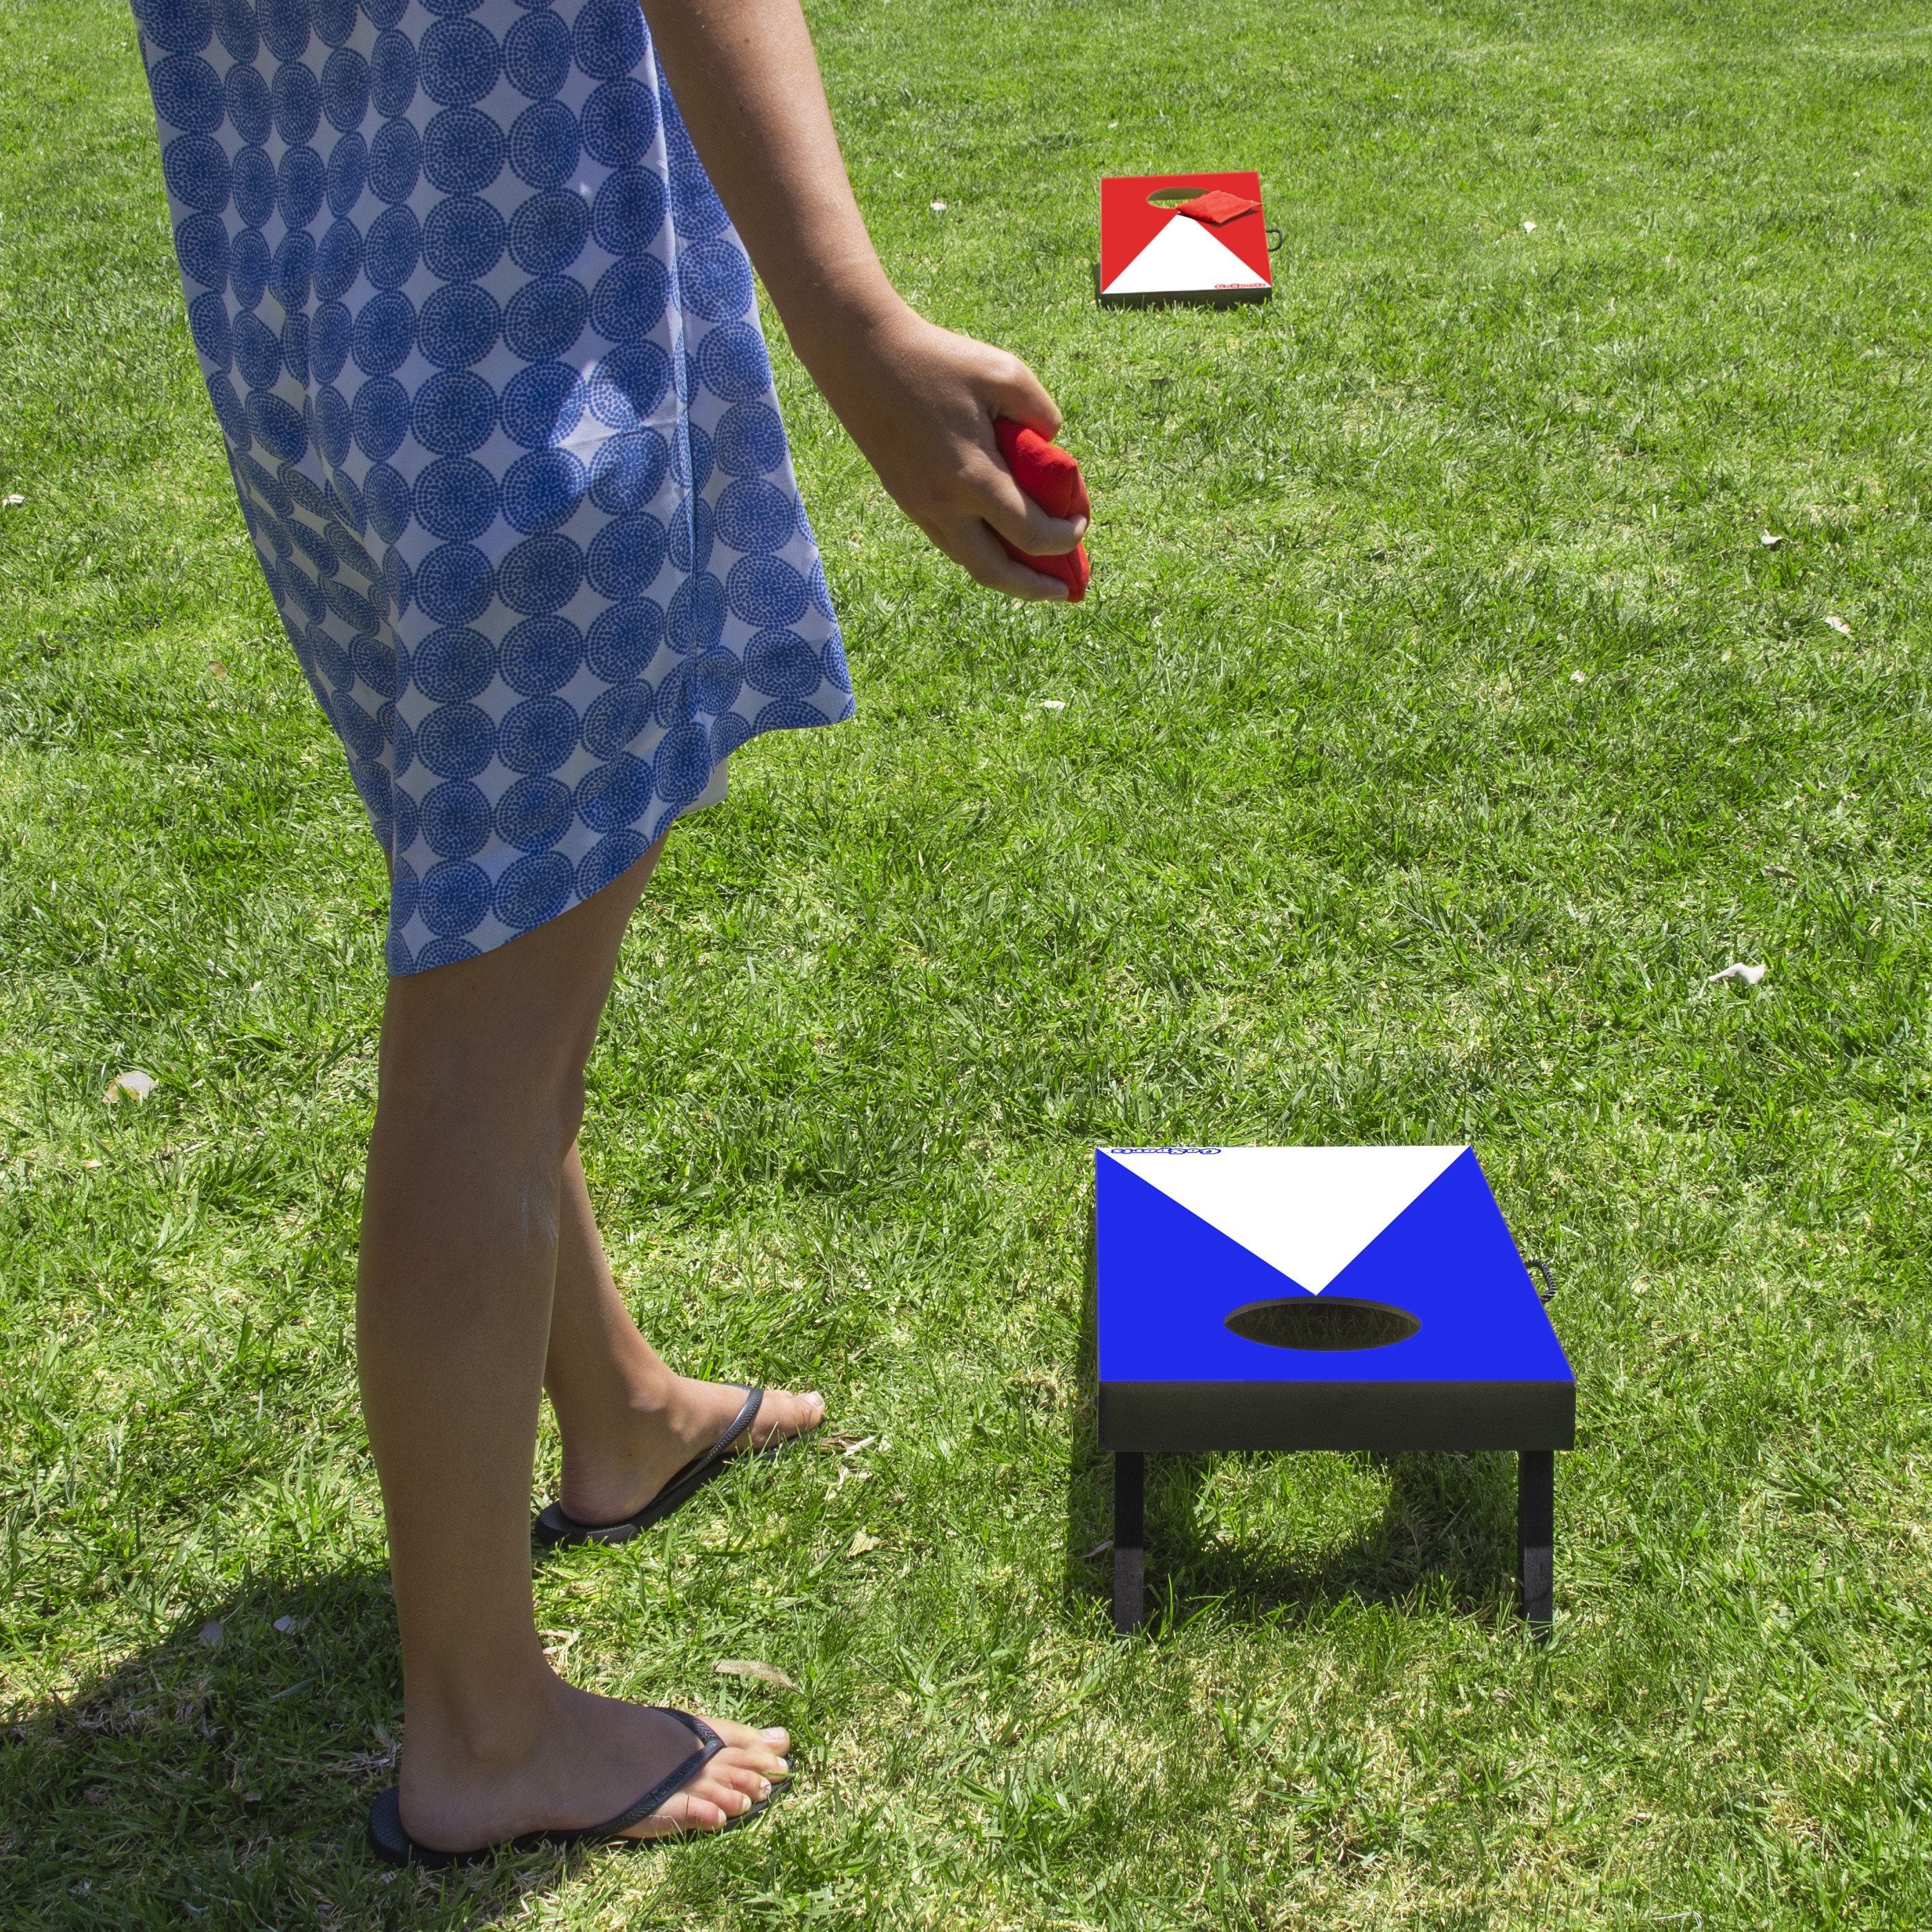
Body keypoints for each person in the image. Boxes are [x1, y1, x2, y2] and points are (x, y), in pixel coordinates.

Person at [130, 0, 1087, 1861]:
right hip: (523, 369)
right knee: (483, 1059)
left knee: (492, 952)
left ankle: (623, 1406)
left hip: (313, 342)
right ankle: (486, 1728)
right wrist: (860, 328)